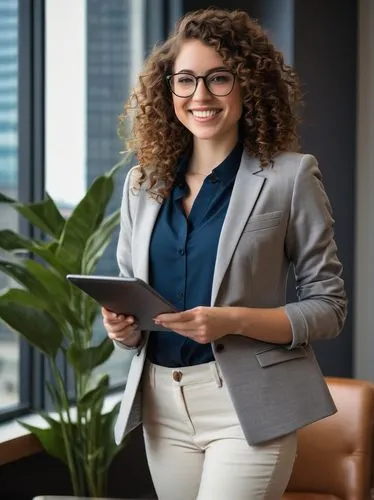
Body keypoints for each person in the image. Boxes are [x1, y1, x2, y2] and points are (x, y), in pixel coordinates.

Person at [102, 7, 347, 500]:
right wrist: (122, 328)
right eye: (186, 80)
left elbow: (328, 308)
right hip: (162, 405)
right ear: (167, 89)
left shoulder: (290, 177)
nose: (201, 96)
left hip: (247, 406)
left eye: (218, 78)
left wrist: (231, 320)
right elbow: (133, 294)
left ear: (248, 85)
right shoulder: (140, 185)